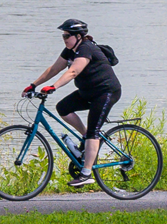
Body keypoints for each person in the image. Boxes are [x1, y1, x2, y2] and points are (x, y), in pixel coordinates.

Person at [22, 19, 121, 188]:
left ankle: (86, 174)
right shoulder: (70, 50)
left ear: (78, 36)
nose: (64, 38)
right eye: (63, 35)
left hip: (105, 93)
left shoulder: (86, 48)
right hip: (88, 92)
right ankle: (85, 138)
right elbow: (53, 69)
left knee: (93, 132)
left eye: (67, 35)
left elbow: (73, 71)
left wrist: (54, 86)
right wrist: (34, 85)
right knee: (63, 108)